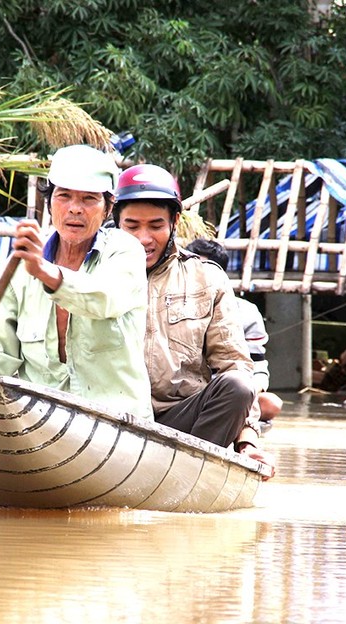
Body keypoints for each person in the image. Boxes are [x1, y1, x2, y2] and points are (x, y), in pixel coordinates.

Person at [0, 144, 152, 432]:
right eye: (64, 196)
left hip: (116, 426)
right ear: (49, 201)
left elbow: (105, 298)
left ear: (108, 207)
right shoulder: (18, 268)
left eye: (89, 199)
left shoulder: (125, 252)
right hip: (40, 425)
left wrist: (46, 272)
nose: (75, 208)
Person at [112, 163, 275, 477]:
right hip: (111, 415)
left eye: (155, 225)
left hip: (181, 421)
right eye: (132, 226)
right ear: (116, 223)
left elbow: (234, 364)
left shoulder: (206, 278)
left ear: (174, 222)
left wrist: (248, 441)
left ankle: (187, 476)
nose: (143, 238)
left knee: (239, 385)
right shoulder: (93, 272)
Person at [184, 238, 283, 422]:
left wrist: (250, 390)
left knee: (271, 404)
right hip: (180, 392)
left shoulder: (245, 311)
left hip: (223, 389)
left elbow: (257, 365)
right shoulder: (167, 302)